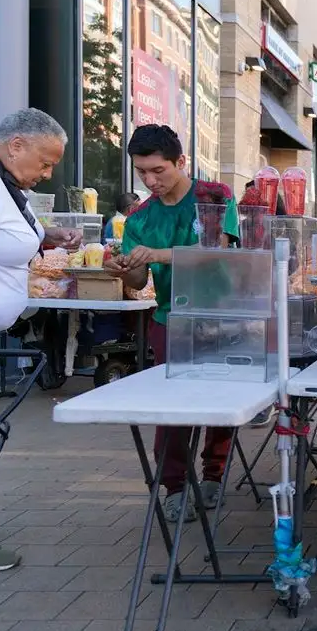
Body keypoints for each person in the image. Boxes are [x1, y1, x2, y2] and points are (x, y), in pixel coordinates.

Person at [105, 124, 240, 522]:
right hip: (171, 319)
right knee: (172, 409)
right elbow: (137, 282)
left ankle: (214, 475)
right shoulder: (139, 219)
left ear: (180, 161)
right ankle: (175, 485)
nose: (150, 181)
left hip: (225, 314)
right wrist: (123, 267)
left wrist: (157, 254)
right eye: (141, 172)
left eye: (158, 170)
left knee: (222, 402)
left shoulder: (214, 196)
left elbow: (217, 249)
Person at [0, 108, 80, 572]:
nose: (47, 174)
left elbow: (5, 235)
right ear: (16, 145)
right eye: (45, 163)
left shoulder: (5, 182)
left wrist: (45, 236)